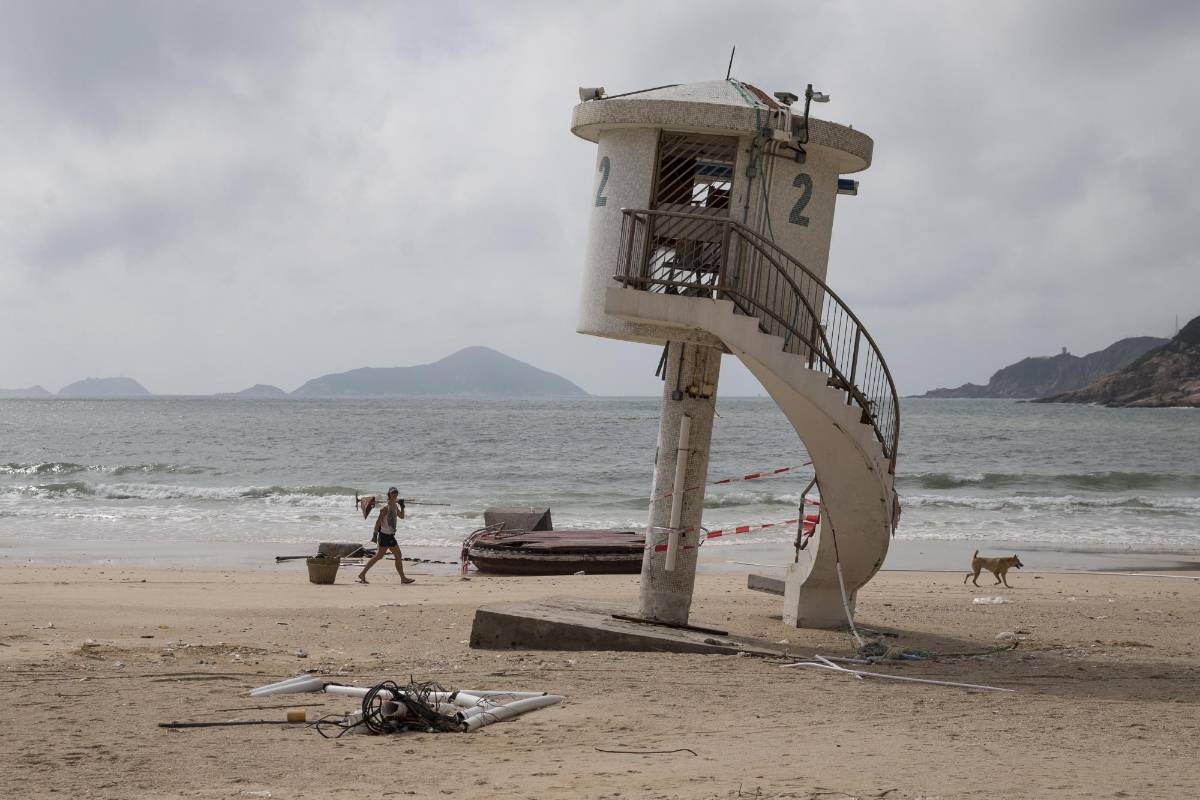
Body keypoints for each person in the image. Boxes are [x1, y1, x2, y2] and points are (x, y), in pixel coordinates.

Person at [356, 487, 414, 584]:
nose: (395, 494)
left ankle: (362, 574)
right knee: (394, 555)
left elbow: (402, 516)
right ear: (389, 494)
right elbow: (378, 522)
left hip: (390, 535)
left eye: (396, 493)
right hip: (385, 536)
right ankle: (403, 578)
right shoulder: (385, 508)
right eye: (393, 493)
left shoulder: (395, 506)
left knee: (381, 556)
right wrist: (374, 535)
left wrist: (402, 506)